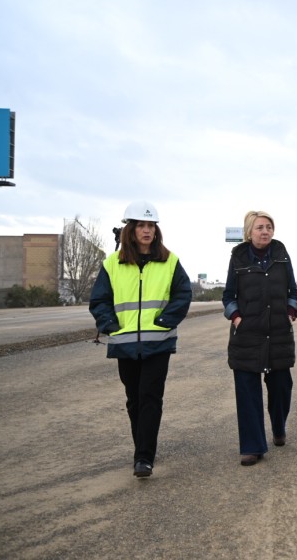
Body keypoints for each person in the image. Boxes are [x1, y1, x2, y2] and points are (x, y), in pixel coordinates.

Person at [89, 200, 192, 479]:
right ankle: (142, 449)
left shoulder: (170, 261)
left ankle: (144, 457)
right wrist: (109, 324)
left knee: (150, 397)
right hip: (124, 344)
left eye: (151, 226)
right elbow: (99, 299)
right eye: (141, 225)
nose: (147, 231)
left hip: (158, 342)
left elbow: (183, 295)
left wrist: (164, 322)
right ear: (131, 229)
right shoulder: (113, 263)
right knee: (133, 399)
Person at [223, 210, 297, 466]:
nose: (265, 231)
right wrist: (237, 319)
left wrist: (290, 312)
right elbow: (228, 296)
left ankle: (279, 427)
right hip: (247, 335)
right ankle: (252, 446)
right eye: (259, 227)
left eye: (268, 227)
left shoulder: (281, 254)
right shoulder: (238, 257)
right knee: (247, 392)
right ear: (249, 232)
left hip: (278, 331)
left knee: (281, 387)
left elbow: (293, 291)